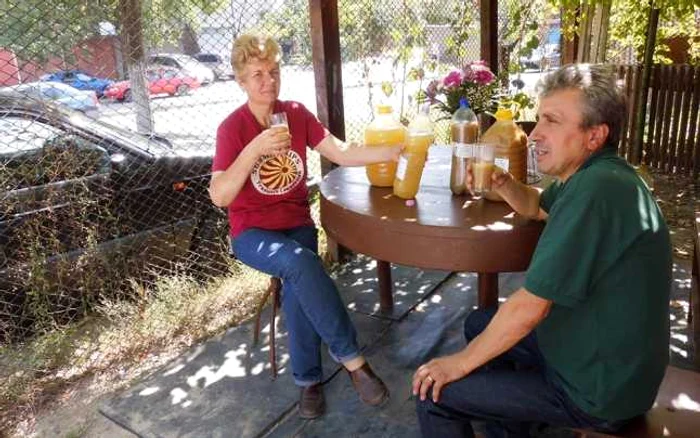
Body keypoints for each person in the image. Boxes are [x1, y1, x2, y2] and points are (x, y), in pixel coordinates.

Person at [412, 64, 672, 437]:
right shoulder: (599, 176)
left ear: (594, 135)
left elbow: (530, 308)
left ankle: (512, 419)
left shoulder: (596, 192)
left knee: (433, 394)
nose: (535, 134)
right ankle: (512, 430)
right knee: (478, 322)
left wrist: (458, 365)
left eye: (552, 121)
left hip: (598, 392)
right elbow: (536, 205)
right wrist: (504, 183)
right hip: (603, 359)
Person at [209, 33, 398, 419]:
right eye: (257, 74)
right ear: (241, 81)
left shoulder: (295, 113)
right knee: (301, 263)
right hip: (252, 234)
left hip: (295, 224)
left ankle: (308, 381)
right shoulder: (232, 129)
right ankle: (354, 362)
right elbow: (221, 195)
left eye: (274, 71)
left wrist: (395, 150)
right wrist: (254, 149)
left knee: (299, 283)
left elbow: (340, 152)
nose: (268, 80)